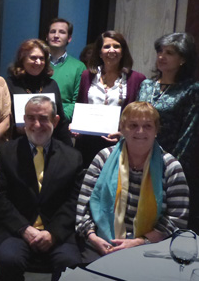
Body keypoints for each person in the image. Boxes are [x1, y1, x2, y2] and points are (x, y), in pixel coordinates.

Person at [75, 101, 189, 263]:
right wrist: (93, 238)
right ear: (121, 128)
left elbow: (177, 218)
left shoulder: (171, 167)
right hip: (101, 244)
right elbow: (82, 208)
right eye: (133, 125)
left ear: (156, 130)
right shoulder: (103, 158)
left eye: (148, 126)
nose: (140, 131)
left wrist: (140, 242)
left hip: (151, 248)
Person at [0, 96, 83, 281]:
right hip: (17, 230)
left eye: (43, 118)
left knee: (70, 263)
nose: (37, 124)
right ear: (23, 120)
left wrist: (53, 234)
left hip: (57, 232)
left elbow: (74, 202)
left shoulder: (73, 157)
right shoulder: (4, 153)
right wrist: (24, 229)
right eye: (31, 118)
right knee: (9, 260)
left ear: (55, 121)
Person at [137, 32, 199, 233]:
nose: (162, 56)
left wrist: (170, 165)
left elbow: (189, 135)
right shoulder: (146, 85)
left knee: (161, 223)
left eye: (169, 53)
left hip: (169, 165)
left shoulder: (191, 90)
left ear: (183, 59)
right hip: (138, 159)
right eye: (160, 51)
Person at [76, 31, 146, 167]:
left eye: (117, 46)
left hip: (118, 144)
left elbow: (139, 114)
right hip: (87, 143)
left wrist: (125, 134)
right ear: (100, 52)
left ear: (123, 51)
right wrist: (76, 127)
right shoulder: (87, 76)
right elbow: (80, 104)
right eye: (107, 46)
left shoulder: (136, 79)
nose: (112, 50)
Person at [6, 39, 72, 146]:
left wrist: (69, 150)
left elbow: (61, 122)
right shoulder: (10, 84)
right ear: (22, 59)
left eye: (42, 58)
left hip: (49, 146)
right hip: (18, 146)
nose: (38, 62)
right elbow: (3, 120)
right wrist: (15, 128)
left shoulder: (51, 85)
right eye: (33, 58)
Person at [46, 18, 86, 121]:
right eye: (52, 31)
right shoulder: (37, 63)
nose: (56, 35)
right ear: (47, 36)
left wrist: (61, 118)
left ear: (69, 38)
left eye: (62, 32)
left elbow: (78, 101)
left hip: (63, 123)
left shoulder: (79, 67)